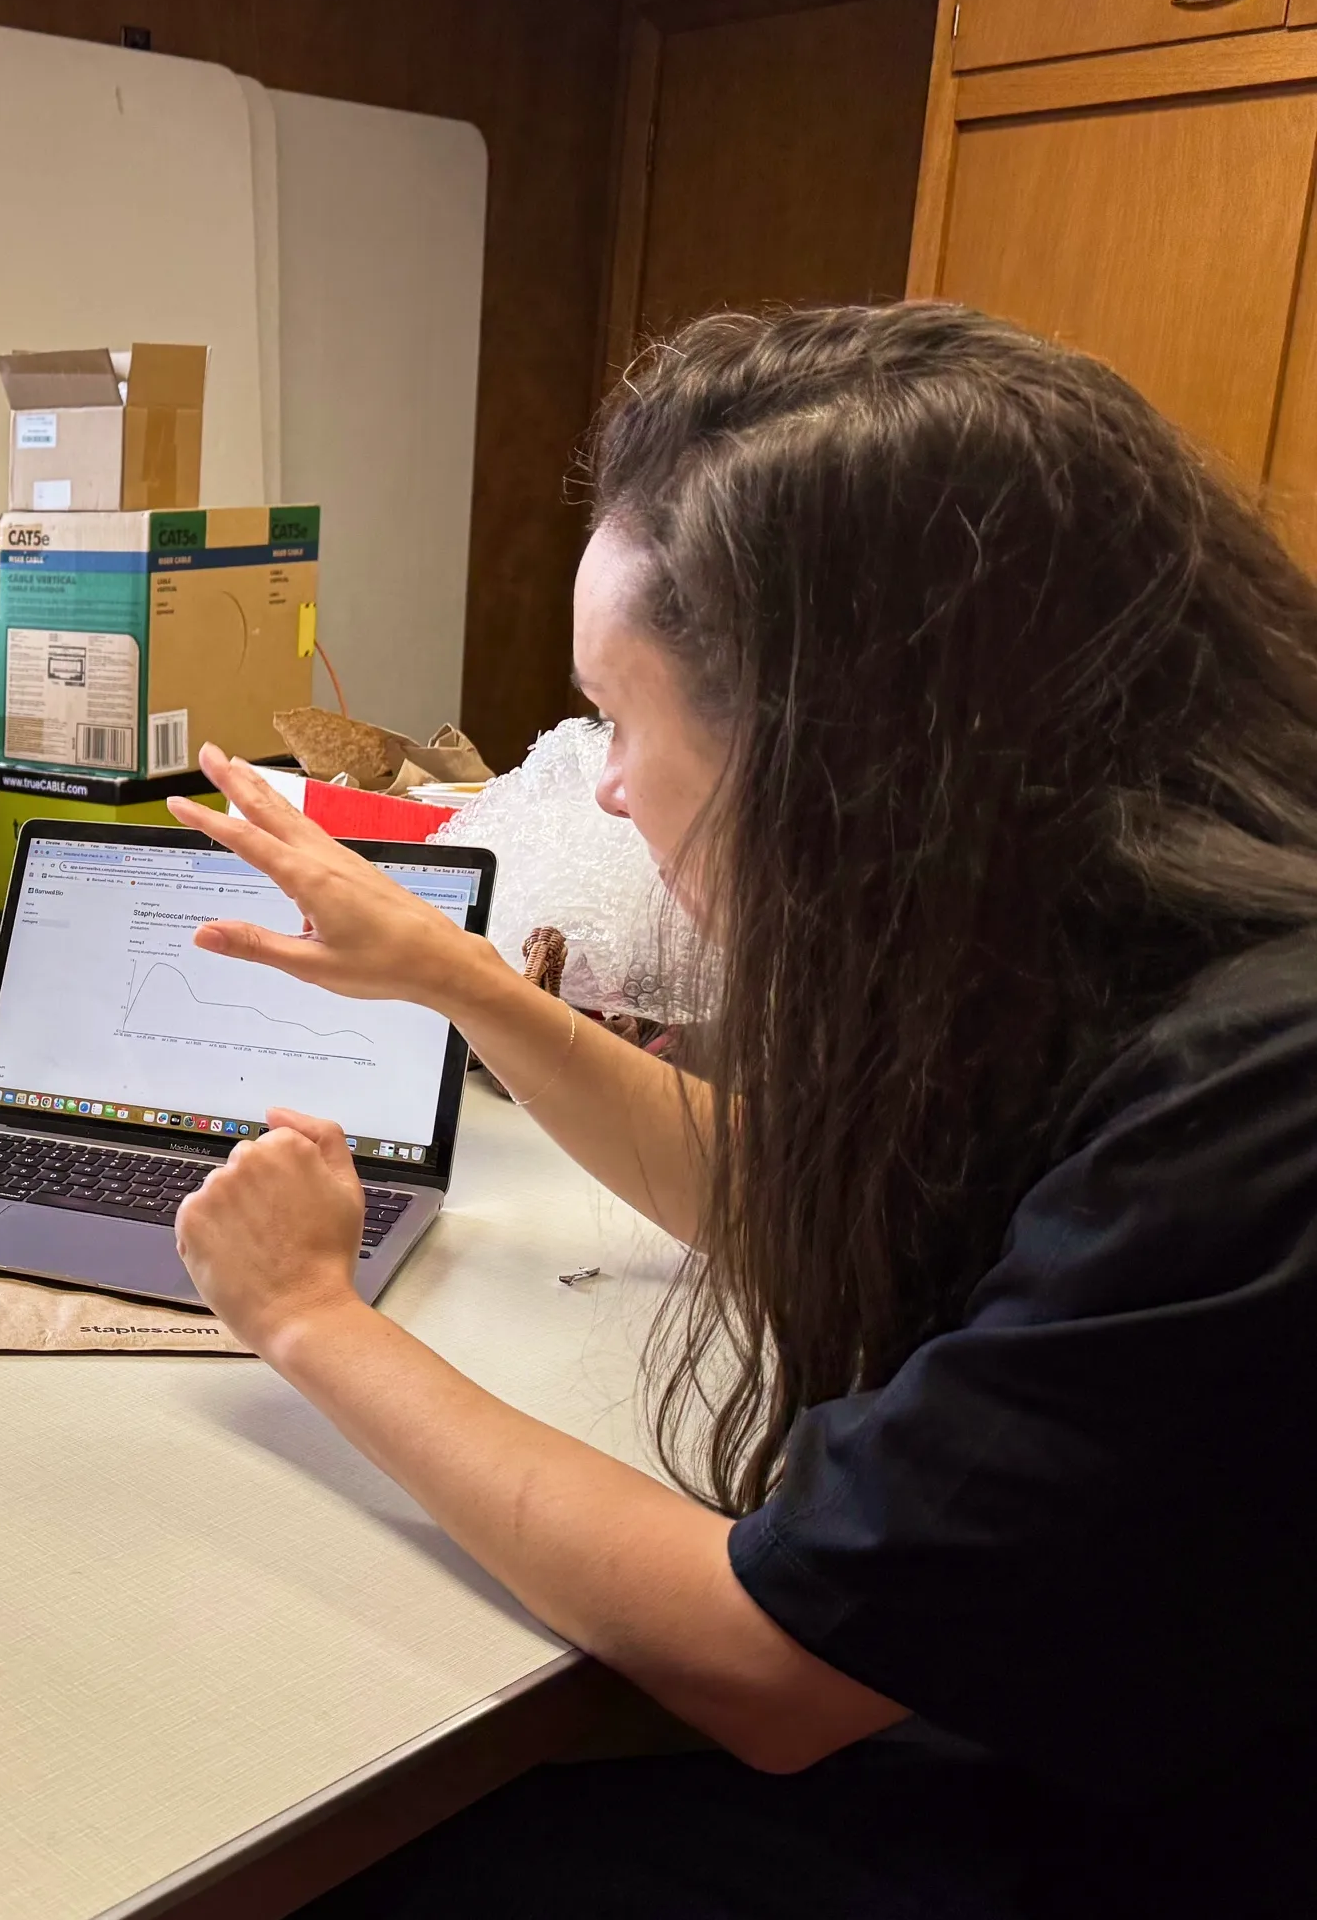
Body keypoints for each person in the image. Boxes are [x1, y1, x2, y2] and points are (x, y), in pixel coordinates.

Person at [167, 304, 1317, 1916]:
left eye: (621, 719)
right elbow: (812, 1207)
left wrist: (305, 1317)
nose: (614, 789)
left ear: (851, 747)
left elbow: (772, 1659)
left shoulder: (1256, 1100)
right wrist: (461, 976)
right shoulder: (1146, 953)